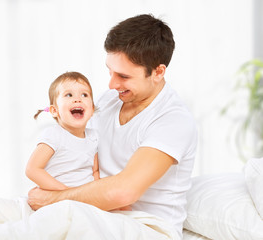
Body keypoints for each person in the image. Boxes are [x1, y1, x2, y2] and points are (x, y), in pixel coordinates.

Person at [28, 14, 198, 238]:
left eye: (123, 76)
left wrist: (51, 200)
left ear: (158, 72)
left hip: (146, 227)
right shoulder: (109, 100)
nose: (111, 84)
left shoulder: (173, 120)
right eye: (110, 71)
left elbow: (123, 191)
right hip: (98, 212)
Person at [25, 71, 100, 191]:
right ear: (54, 110)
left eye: (84, 95)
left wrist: (95, 193)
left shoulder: (93, 137)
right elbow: (32, 169)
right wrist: (66, 192)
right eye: (69, 95)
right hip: (58, 196)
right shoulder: (54, 135)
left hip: (84, 198)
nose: (77, 99)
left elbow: (95, 171)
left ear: (92, 110)